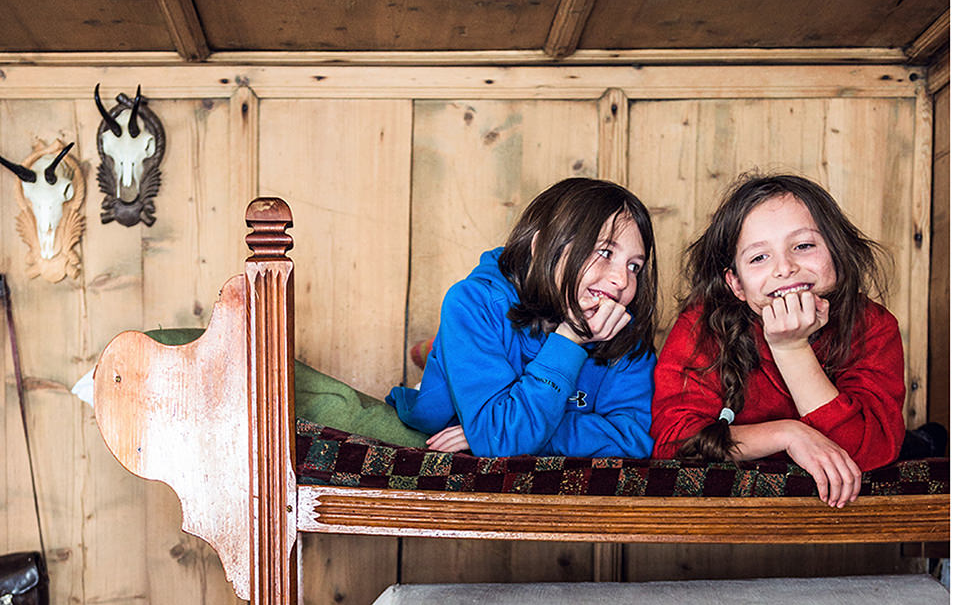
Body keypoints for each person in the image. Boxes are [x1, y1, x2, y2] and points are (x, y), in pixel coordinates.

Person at [650, 173, 907, 506]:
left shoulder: (873, 325)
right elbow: (673, 444)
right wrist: (788, 434)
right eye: (759, 257)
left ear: (837, 254)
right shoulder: (702, 327)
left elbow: (866, 453)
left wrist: (792, 348)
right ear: (737, 284)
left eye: (803, 246)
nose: (784, 268)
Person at [387, 176, 659, 458]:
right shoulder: (472, 302)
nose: (622, 280)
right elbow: (502, 438)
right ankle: (437, 353)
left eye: (634, 266)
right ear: (545, 246)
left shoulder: (622, 328)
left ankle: (436, 349)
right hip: (457, 379)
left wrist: (514, 428)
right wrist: (569, 342)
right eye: (605, 252)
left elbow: (634, 439)